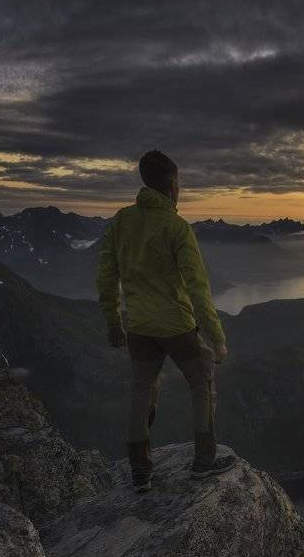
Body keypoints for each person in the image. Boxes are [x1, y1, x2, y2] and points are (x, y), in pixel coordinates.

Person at [96, 150, 235, 491]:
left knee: (142, 389)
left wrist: (115, 323)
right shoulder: (177, 228)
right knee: (202, 378)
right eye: (179, 183)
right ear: (172, 185)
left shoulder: (120, 222)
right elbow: (198, 289)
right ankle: (204, 462)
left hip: (139, 327)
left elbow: (106, 276)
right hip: (177, 326)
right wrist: (216, 339)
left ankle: (140, 471)